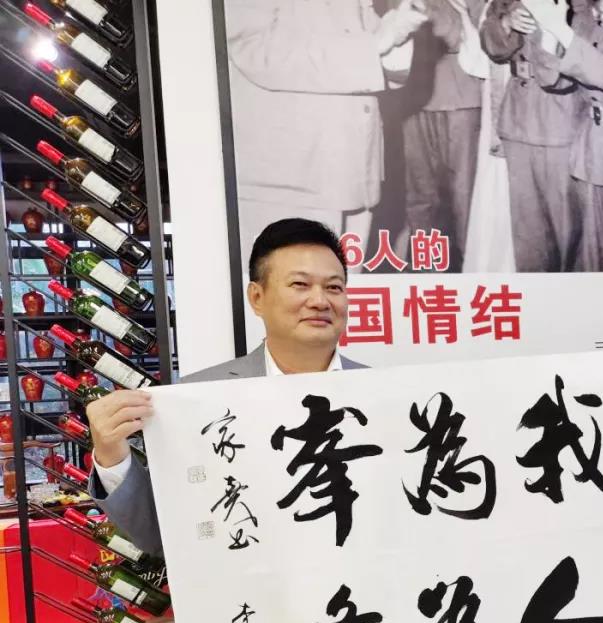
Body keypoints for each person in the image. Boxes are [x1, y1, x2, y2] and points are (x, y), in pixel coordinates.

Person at [86, 219, 368, 557]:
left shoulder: (384, 397)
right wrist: (112, 456)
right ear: (257, 297)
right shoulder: (199, 398)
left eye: (334, 287)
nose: (320, 300)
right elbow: (159, 537)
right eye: (300, 284)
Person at [226, 0, 427, 348]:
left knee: (334, 332)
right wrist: (374, 45)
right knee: (281, 330)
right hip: (292, 171)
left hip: (352, 169)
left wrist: (397, 34)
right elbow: (252, 48)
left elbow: (370, 53)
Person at [521, 0, 603, 272]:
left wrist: (561, 30)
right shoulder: (587, 22)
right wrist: (549, 33)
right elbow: (554, 80)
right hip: (590, 150)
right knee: (589, 254)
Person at [480, 0, 586, 272]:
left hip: (560, 119)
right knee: (526, 232)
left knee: (568, 229)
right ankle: (535, 292)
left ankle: (571, 292)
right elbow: (492, 45)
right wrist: (506, 23)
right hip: (518, 119)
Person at [401, 0, 485, 270]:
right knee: (419, 194)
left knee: (465, 197)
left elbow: (468, 34)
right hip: (415, 97)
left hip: (462, 97)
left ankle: (471, 274)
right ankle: (424, 271)